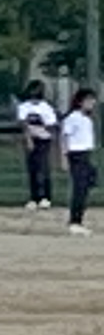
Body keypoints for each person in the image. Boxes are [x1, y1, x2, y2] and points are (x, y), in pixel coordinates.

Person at [17, 81, 59, 213]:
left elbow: (51, 125)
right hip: (31, 139)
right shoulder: (24, 106)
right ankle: (34, 198)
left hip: (44, 140)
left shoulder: (46, 107)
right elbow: (23, 124)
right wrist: (29, 139)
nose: (34, 95)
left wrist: (44, 127)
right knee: (32, 169)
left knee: (43, 168)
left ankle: (46, 197)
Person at [68, 89, 98, 236]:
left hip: (85, 154)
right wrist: (64, 158)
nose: (92, 103)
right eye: (89, 100)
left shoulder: (87, 119)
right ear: (80, 102)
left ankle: (78, 218)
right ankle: (75, 221)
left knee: (88, 182)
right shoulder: (73, 118)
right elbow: (65, 137)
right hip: (76, 155)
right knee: (79, 189)